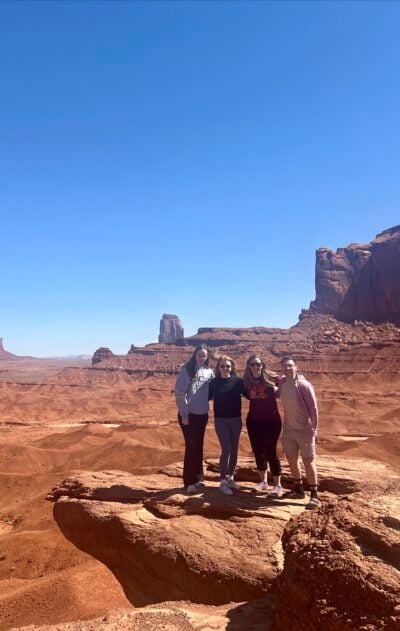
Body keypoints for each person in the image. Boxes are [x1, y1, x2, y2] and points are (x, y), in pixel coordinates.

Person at [277, 357, 320, 510]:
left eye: (289, 365)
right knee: (291, 458)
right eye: (284, 366)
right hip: (289, 429)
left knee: (308, 460)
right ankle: (299, 490)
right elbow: (275, 389)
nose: (287, 368)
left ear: (296, 367)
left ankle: (314, 495)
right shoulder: (282, 383)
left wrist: (313, 431)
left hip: (304, 430)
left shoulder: (303, 385)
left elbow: (314, 409)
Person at [243, 355, 283, 498]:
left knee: (271, 451)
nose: (256, 366)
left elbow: (287, 379)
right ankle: (263, 481)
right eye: (253, 364)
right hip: (254, 421)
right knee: (258, 450)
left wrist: (300, 378)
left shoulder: (271, 377)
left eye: (258, 364)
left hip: (272, 421)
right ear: (248, 366)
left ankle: (277, 485)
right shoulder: (246, 381)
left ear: (262, 365)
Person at [175, 345, 214, 493]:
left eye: (204, 355)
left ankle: (199, 478)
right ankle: (188, 482)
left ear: (207, 357)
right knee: (191, 447)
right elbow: (179, 393)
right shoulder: (187, 370)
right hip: (189, 415)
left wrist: (208, 404)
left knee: (199, 446)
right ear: (195, 355)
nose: (202, 358)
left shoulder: (209, 372)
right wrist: (184, 414)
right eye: (199, 355)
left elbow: (212, 392)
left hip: (202, 415)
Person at [208, 355, 246, 495]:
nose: (225, 368)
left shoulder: (238, 382)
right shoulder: (214, 382)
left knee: (234, 449)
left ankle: (231, 478)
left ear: (232, 367)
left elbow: (250, 394)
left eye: (228, 366)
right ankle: (223, 482)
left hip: (236, 420)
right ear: (218, 367)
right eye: (222, 366)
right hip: (221, 421)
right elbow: (205, 397)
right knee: (226, 449)